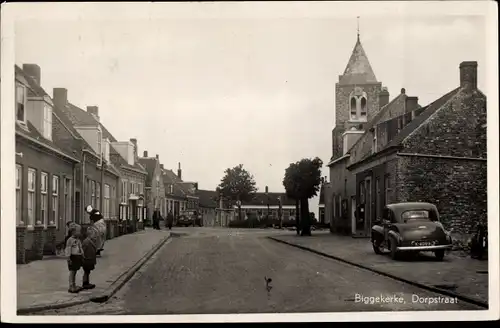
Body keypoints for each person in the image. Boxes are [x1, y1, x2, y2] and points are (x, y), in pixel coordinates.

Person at [81, 212, 100, 290]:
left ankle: (87, 282)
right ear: (89, 234)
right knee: (86, 271)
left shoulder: (91, 241)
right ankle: (85, 283)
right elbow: (83, 250)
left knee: (88, 272)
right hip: (87, 260)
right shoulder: (86, 242)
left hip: (90, 259)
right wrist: (83, 258)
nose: (94, 236)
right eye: (93, 235)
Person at [65, 222, 83, 293]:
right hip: (72, 257)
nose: (79, 233)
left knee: (75, 271)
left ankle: (74, 285)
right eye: (78, 231)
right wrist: (68, 258)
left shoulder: (78, 239)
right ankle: (71, 286)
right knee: (72, 272)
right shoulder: (70, 240)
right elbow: (68, 249)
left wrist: (82, 253)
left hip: (77, 256)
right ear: (73, 232)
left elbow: (80, 247)